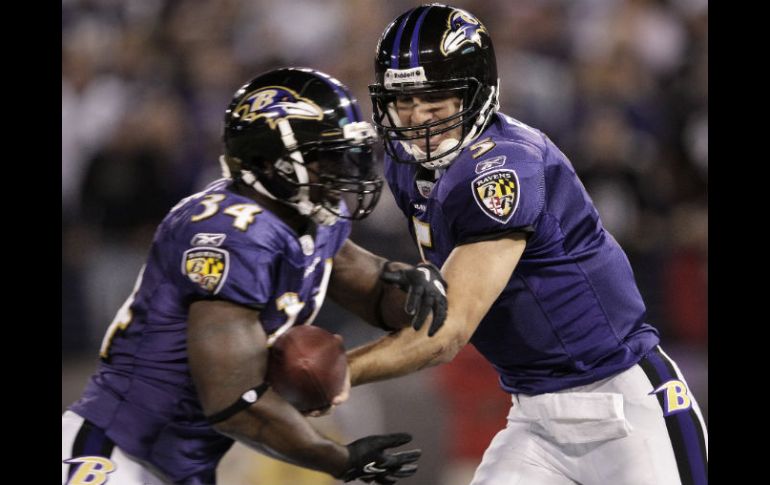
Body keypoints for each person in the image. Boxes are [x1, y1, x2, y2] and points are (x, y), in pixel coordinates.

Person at [348, 4, 708, 485]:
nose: (418, 119)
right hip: (532, 416)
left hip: (623, 406)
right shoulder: (407, 165)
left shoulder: (502, 167)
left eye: (435, 99)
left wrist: (338, 370)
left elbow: (447, 330)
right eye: (403, 101)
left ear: (477, 91)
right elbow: (426, 302)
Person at [61, 67, 449, 485]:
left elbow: (375, 293)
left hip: (181, 466)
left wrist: (419, 286)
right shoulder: (227, 234)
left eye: (347, 152)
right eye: (326, 155)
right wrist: (338, 458)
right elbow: (233, 402)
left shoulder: (313, 215)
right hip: (118, 451)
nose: (346, 167)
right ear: (270, 161)